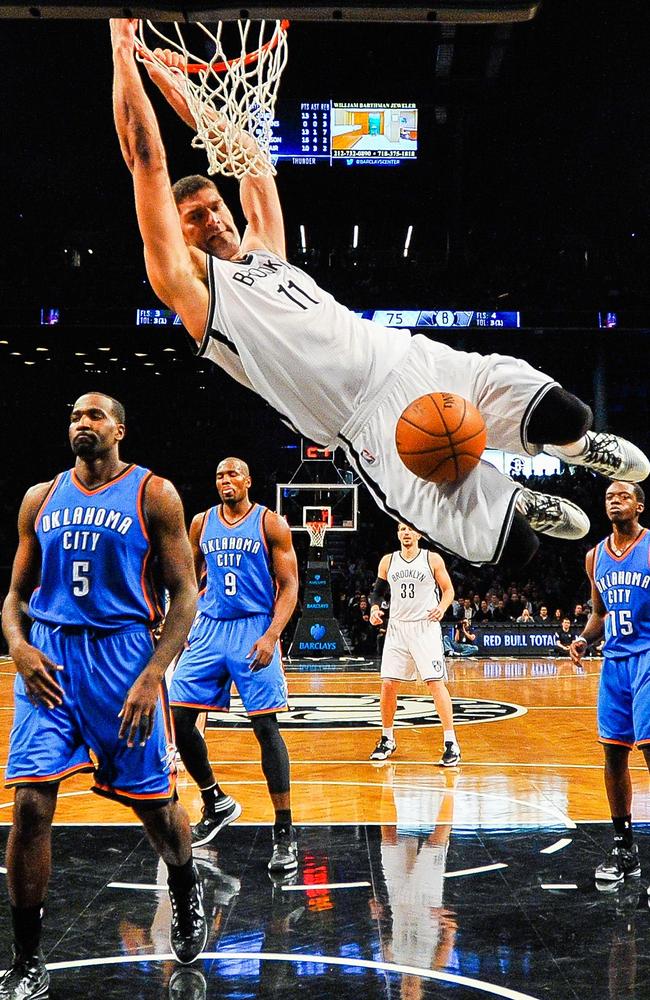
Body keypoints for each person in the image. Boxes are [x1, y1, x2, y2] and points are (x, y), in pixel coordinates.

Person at [109, 19, 650, 569]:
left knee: (564, 413)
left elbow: (247, 159)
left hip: (411, 356)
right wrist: (124, 54)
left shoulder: (264, 251)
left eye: (216, 208)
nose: (215, 220)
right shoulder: (191, 290)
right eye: (196, 218)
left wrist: (180, 87)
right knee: (516, 547)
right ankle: (522, 501)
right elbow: (145, 158)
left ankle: (581, 450)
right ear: (177, 235)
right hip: (369, 429)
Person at [0, 392, 206, 999]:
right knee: (31, 805)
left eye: (92, 415)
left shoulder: (154, 494)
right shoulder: (40, 498)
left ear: (119, 427)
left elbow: (185, 594)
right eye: (72, 416)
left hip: (123, 663)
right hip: (50, 661)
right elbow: (13, 595)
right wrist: (18, 645)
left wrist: (152, 675)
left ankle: (185, 878)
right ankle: (26, 958)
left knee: (157, 813)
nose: (80, 423)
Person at [169, 457, 300, 873]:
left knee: (265, 726)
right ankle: (215, 800)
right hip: (209, 627)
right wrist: (185, 618)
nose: (225, 480)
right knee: (180, 718)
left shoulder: (270, 523)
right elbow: (188, 576)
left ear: (248, 479)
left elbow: (291, 585)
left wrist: (272, 635)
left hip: (253, 627)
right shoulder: (201, 522)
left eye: (232, 474)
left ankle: (284, 833)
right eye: (219, 475)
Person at [570, 481, 649, 885]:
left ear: (639, 505)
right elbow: (599, 615)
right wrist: (585, 638)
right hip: (614, 663)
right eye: (607, 497)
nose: (614, 500)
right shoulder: (595, 556)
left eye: (622, 496)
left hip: (649, 657)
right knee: (614, 753)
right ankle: (624, 848)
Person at [368, 523, 460, 767]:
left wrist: (442, 607)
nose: (405, 533)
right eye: (400, 529)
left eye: (409, 529)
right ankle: (387, 738)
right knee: (388, 684)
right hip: (397, 627)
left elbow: (448, 590)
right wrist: (375, 609)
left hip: (424, 626)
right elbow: (377, 593)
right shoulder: (388, 561)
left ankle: (451, 743)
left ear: (419, 533)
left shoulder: (432, 559)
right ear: (397, 534)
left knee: (434, 682)